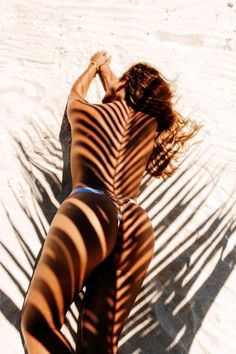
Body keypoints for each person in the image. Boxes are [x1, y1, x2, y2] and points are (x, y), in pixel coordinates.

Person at [20, 51, 199, 354]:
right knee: (100, 346)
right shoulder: (149, 124)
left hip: (92, 205)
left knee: (38, 325)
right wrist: (112, 76)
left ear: (124, 85)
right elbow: (124, 95)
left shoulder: (87, 113)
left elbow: (75, 94)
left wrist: (94, 67)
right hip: (135, 220)